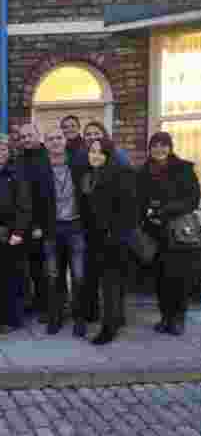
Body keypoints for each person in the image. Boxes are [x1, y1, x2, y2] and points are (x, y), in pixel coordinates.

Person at [137, 132, 201, 336]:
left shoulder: (184, 169)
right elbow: (138, 199)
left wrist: (167, 209)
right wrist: (146, 213)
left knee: (179, 278)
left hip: (178, 231)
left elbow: (192, 199)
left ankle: (178, 317)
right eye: (155, 145)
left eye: (163, 145)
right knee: (160, 277)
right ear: (150, 148)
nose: (159, 149)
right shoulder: (143, 171)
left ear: (170, 147)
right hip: (154, 232)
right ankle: (165, 316)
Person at [28, 128, 88, 336]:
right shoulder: (39, 167)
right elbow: (33, 200)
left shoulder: (79, 163)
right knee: (54, 277)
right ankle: (56, 317)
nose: (55, 142)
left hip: (76, 227)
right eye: (50, 138)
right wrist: (36, 225)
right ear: (45, 143)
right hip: (52, 228)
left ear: (65, 141)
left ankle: (80, 319)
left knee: (79, 276)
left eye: (58, 138)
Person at [80, 137, 137, 345]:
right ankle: (116, 319)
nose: (94, 155)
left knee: (111, 285)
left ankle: (109, 328)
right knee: (106, 284)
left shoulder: (121, 175)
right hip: (95, 238)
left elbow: (129, 210)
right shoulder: (90, 176)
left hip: (114, 239)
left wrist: (115, 234)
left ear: (109, 154)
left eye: (99, 152)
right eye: (92, 151)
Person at [0, 134, 32, 330]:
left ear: (8, 152)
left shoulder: (16, 173)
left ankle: (12, 319)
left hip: (11, 233)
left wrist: (18, 232)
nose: (0, 153)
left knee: (11, 279)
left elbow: (24, 205)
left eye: (3, 149)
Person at [18, 123, 49, 322]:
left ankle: (47, 306)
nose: (26, 139)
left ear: (38, 135)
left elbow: (46, 195)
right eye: (23, 137)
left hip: (41, 223)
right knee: (27, 266)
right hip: (24, 222)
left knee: (43, 268)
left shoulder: (47, 158)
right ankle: (33, 302)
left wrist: (40, 225)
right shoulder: (20, 160)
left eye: (30, 135)